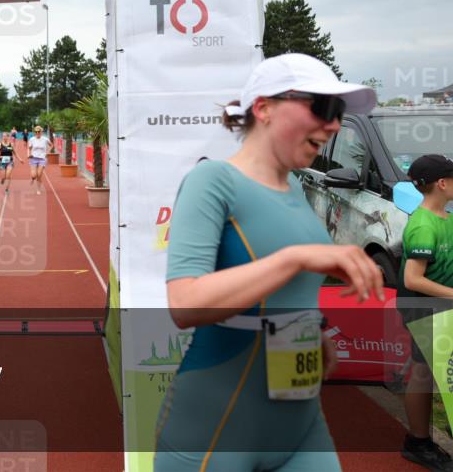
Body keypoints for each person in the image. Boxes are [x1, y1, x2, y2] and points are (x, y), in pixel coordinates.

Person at [154, 54, 385, 471]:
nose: (333, 125)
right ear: (264, 108)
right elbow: (184, 304)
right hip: (214, 430)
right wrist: (297, 258)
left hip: (299, 420)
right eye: (322, 108)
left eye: (338, 114)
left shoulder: (295, 185)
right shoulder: (213, 181)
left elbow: (276, 289)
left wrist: (309, 330)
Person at [396, 154, 453, 470]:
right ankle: (418, 442)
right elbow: (411, 279)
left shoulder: (446, 216)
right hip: (425, 309)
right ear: (442, 184)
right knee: (424, 372)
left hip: (442, 308)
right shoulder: (422, 225)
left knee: (434, 371)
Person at [27, 125, 52, 194]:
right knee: (34, 175)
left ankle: (38, 189)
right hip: (33, 158)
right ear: (34, 132)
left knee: (39, 174)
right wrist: (28, 154)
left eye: (39, 131)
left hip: (42, 159)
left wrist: (48, 152)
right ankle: (32, 178)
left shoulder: (45, 139)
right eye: (36, 132)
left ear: (41, 132)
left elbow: (51, 145)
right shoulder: (32, 139)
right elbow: (29, 148)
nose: (37, 133)